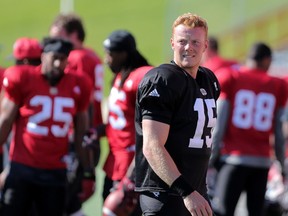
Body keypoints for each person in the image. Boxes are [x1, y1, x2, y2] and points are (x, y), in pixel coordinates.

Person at [134, 13, 220, 216]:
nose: (189, 47)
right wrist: (187, 191)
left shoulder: (209, 80)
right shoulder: (162, 80)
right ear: (172, 43)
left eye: (195, 42)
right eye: (182, 41)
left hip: (196, 191)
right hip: (167, 193)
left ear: (205, 45)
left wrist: (195, 191)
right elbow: (152, 146)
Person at [0, 37, 93, 216]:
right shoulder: (23, 77)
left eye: (63, 59)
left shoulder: (79, 83)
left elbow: (82, 132)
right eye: (54, 57)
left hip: (55, 172)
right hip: (22, 168)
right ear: (43, 56)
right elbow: (5, 121)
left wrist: (88, 170)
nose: (58, 64)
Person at [209, 42, 288, 216]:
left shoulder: (231, 77)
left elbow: (219, 124)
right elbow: (279, 132)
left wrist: (211, 158)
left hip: (233, 160)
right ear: (267, 60)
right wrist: (282, 165)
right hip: (261, 162)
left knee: (223, 212)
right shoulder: (278, 85)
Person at [49, 13, 103, 216]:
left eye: (59, 37)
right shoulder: (91, 55)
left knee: (62, 198)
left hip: (79, 137)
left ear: (74, 36)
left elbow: (81, 100)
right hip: (91, 134)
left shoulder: (76, 58)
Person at [100, 30, 153, 215]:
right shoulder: (120, 76)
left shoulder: (142, 77)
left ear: (123, 54)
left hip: (132, 163)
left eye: (110, 54)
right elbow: (118, 122)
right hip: (115, 161)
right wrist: (95, 131)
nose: (106, 59)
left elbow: (151, 130)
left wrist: (132, 176)